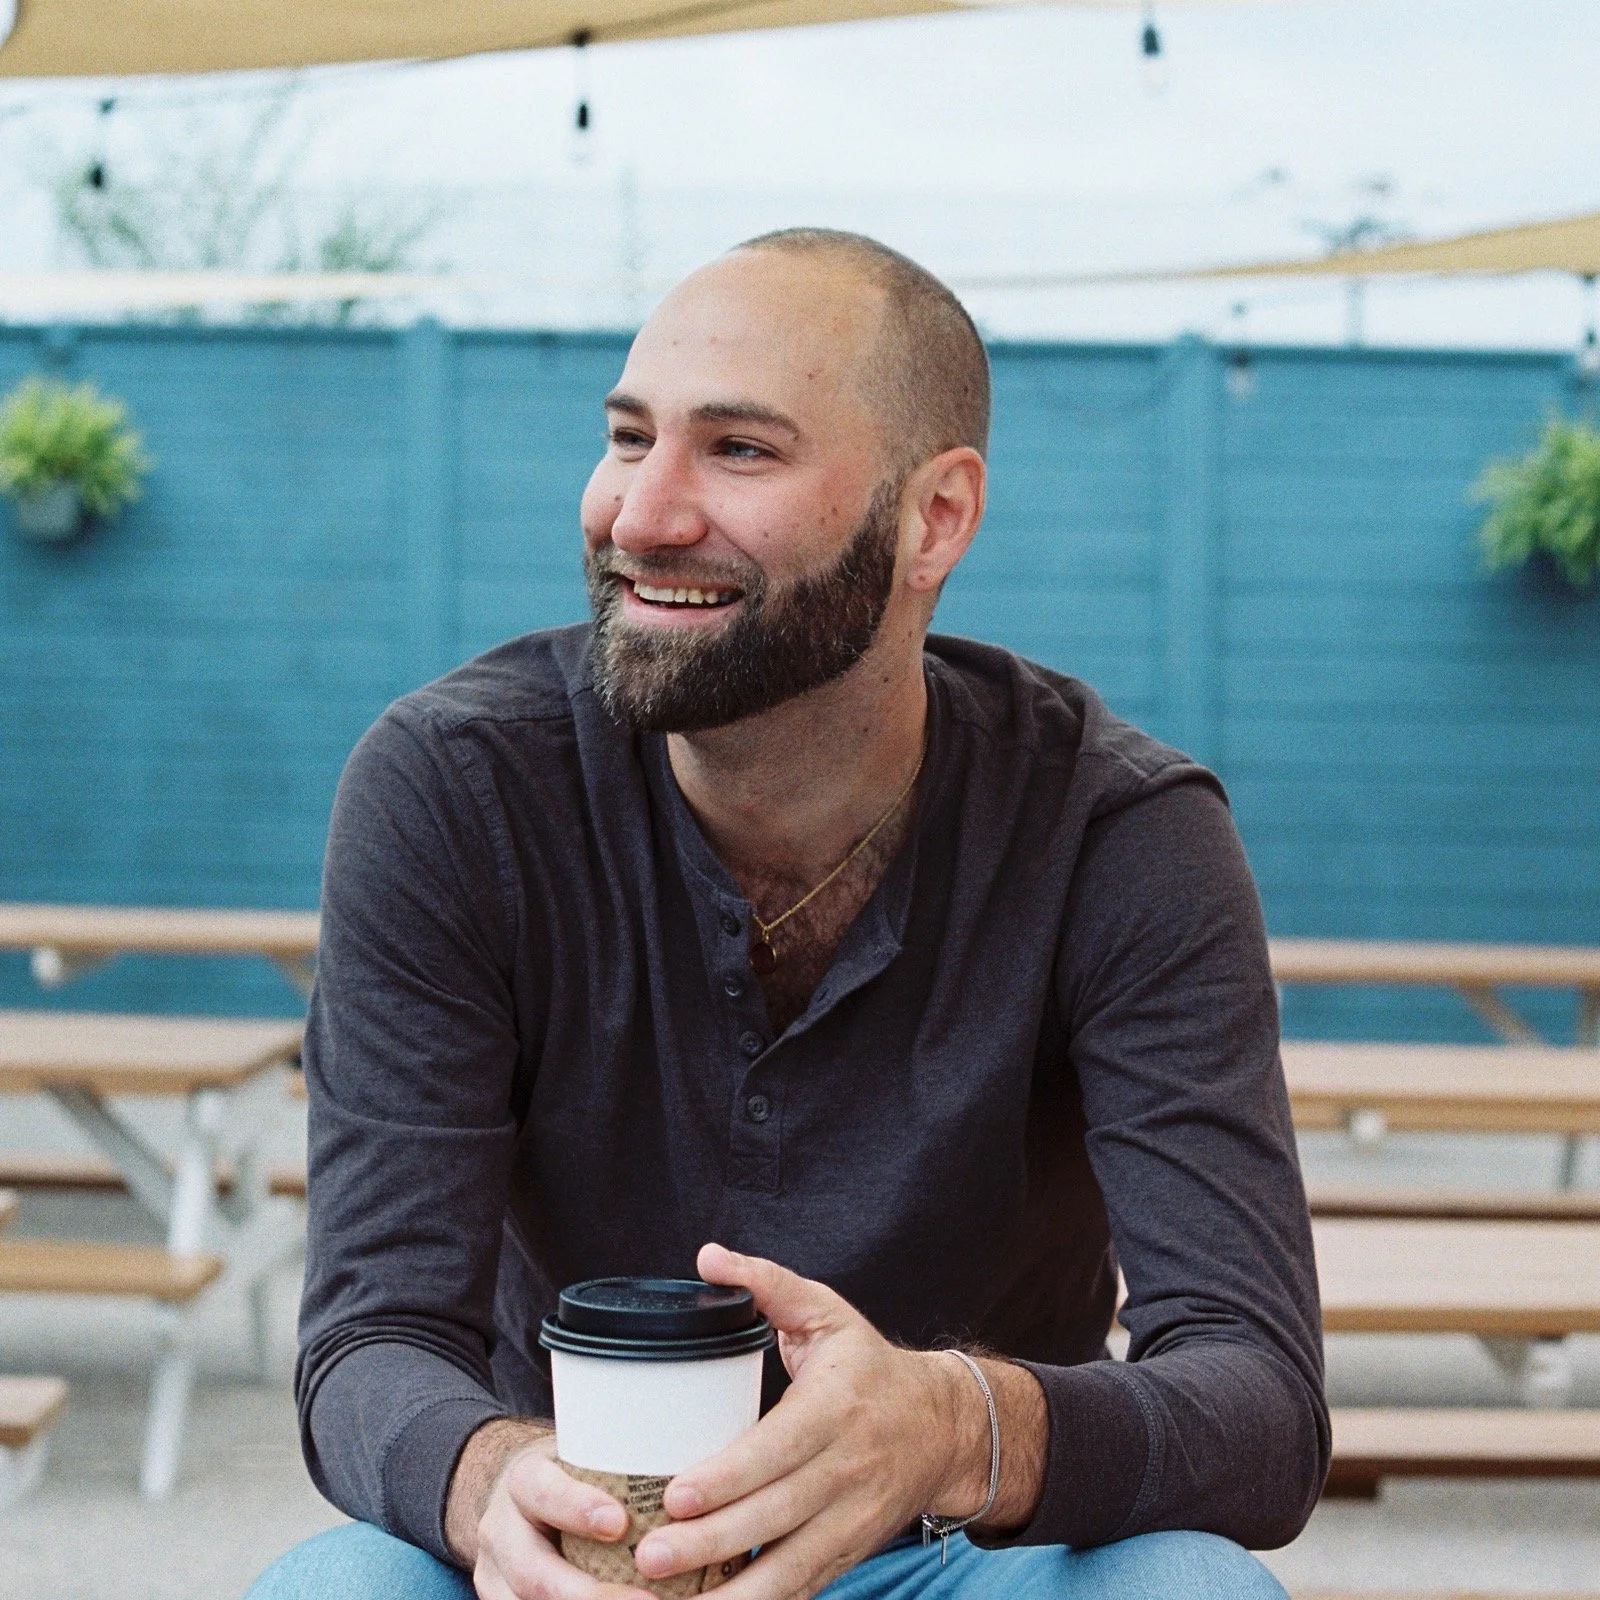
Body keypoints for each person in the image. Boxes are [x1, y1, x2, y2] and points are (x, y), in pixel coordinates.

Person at [249, 229, 1326, 1600]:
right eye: (630, 438)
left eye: (739, 451)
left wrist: (952, 1427)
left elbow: (1262, 1402)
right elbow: (371, 1339)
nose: (642, 513)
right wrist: (490, 1486)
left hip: (955, 1555)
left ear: (932, 518)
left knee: (1196, 1591)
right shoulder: (457, 790)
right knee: (336, 1589)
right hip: (582, 1552)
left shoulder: (1118, 833)